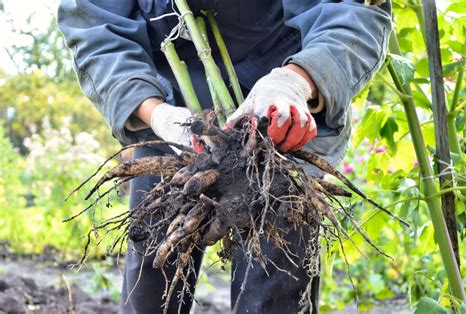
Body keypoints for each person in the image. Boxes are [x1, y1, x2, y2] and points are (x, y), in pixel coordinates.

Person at [58, 1, 391, 313]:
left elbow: (352, 14)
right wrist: (156, 115)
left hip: (280, 123)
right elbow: (95, 28)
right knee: (152, 280)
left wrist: (296, 82)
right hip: (174, 123)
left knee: (275, 285)